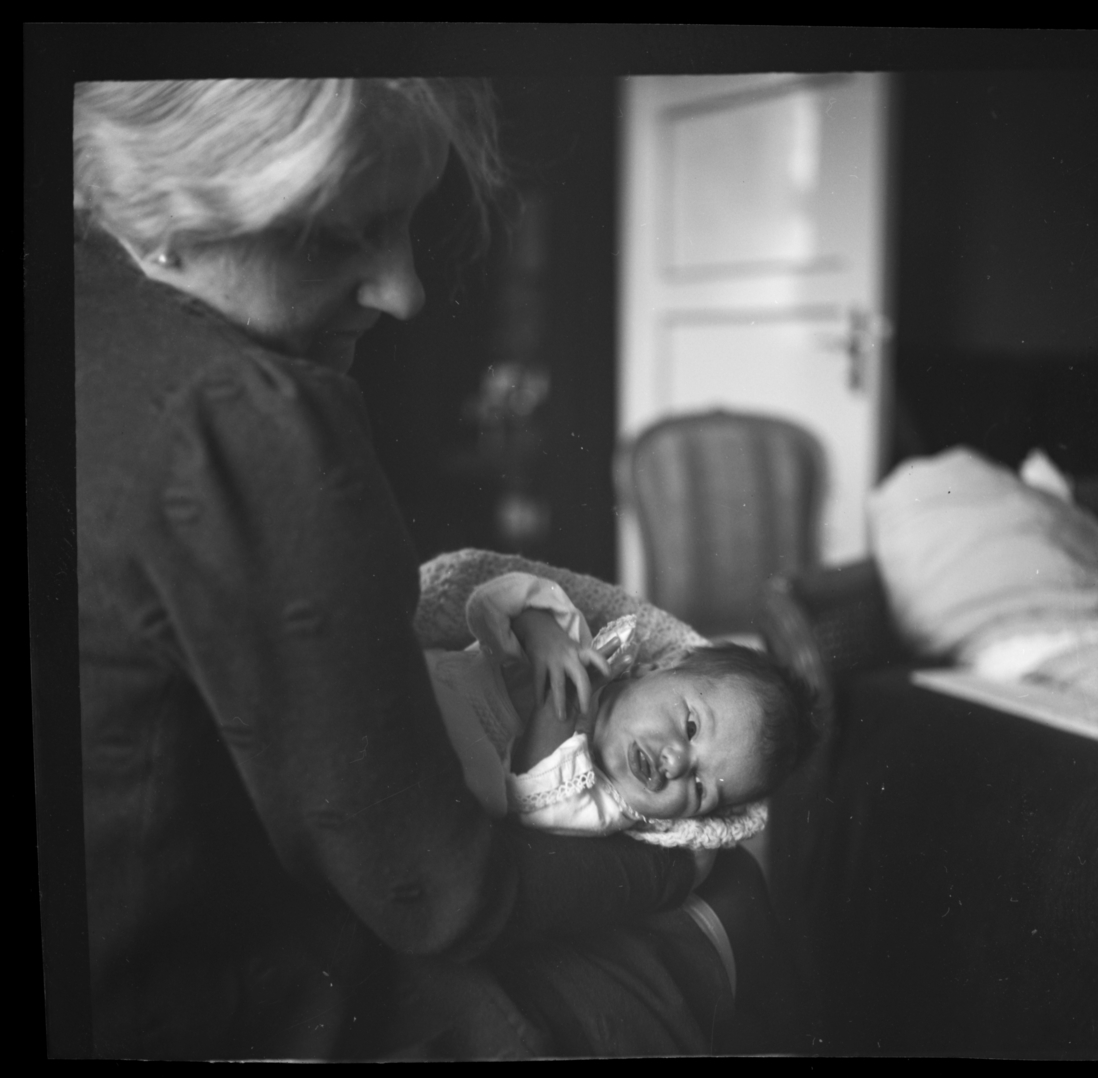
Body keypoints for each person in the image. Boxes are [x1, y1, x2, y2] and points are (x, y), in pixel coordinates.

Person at [73, 78, 805, 1059]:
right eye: (343, 230)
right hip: (187, 992)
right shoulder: (249, 417)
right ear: (175, 217)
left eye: (406, 221)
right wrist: (678, 870)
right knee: (742, 908)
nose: (406, 290)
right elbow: (441, 897)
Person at [425, 572, 814, 845]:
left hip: (442, 766)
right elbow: (488, 603)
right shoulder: (579, 644)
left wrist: (563, 707)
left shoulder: (605, 805)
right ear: (654, 669)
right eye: (692, 727)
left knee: (488, 792)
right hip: (426, 678)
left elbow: (530, 803)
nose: (678, 764)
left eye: (699, 789)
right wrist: (539, 631)